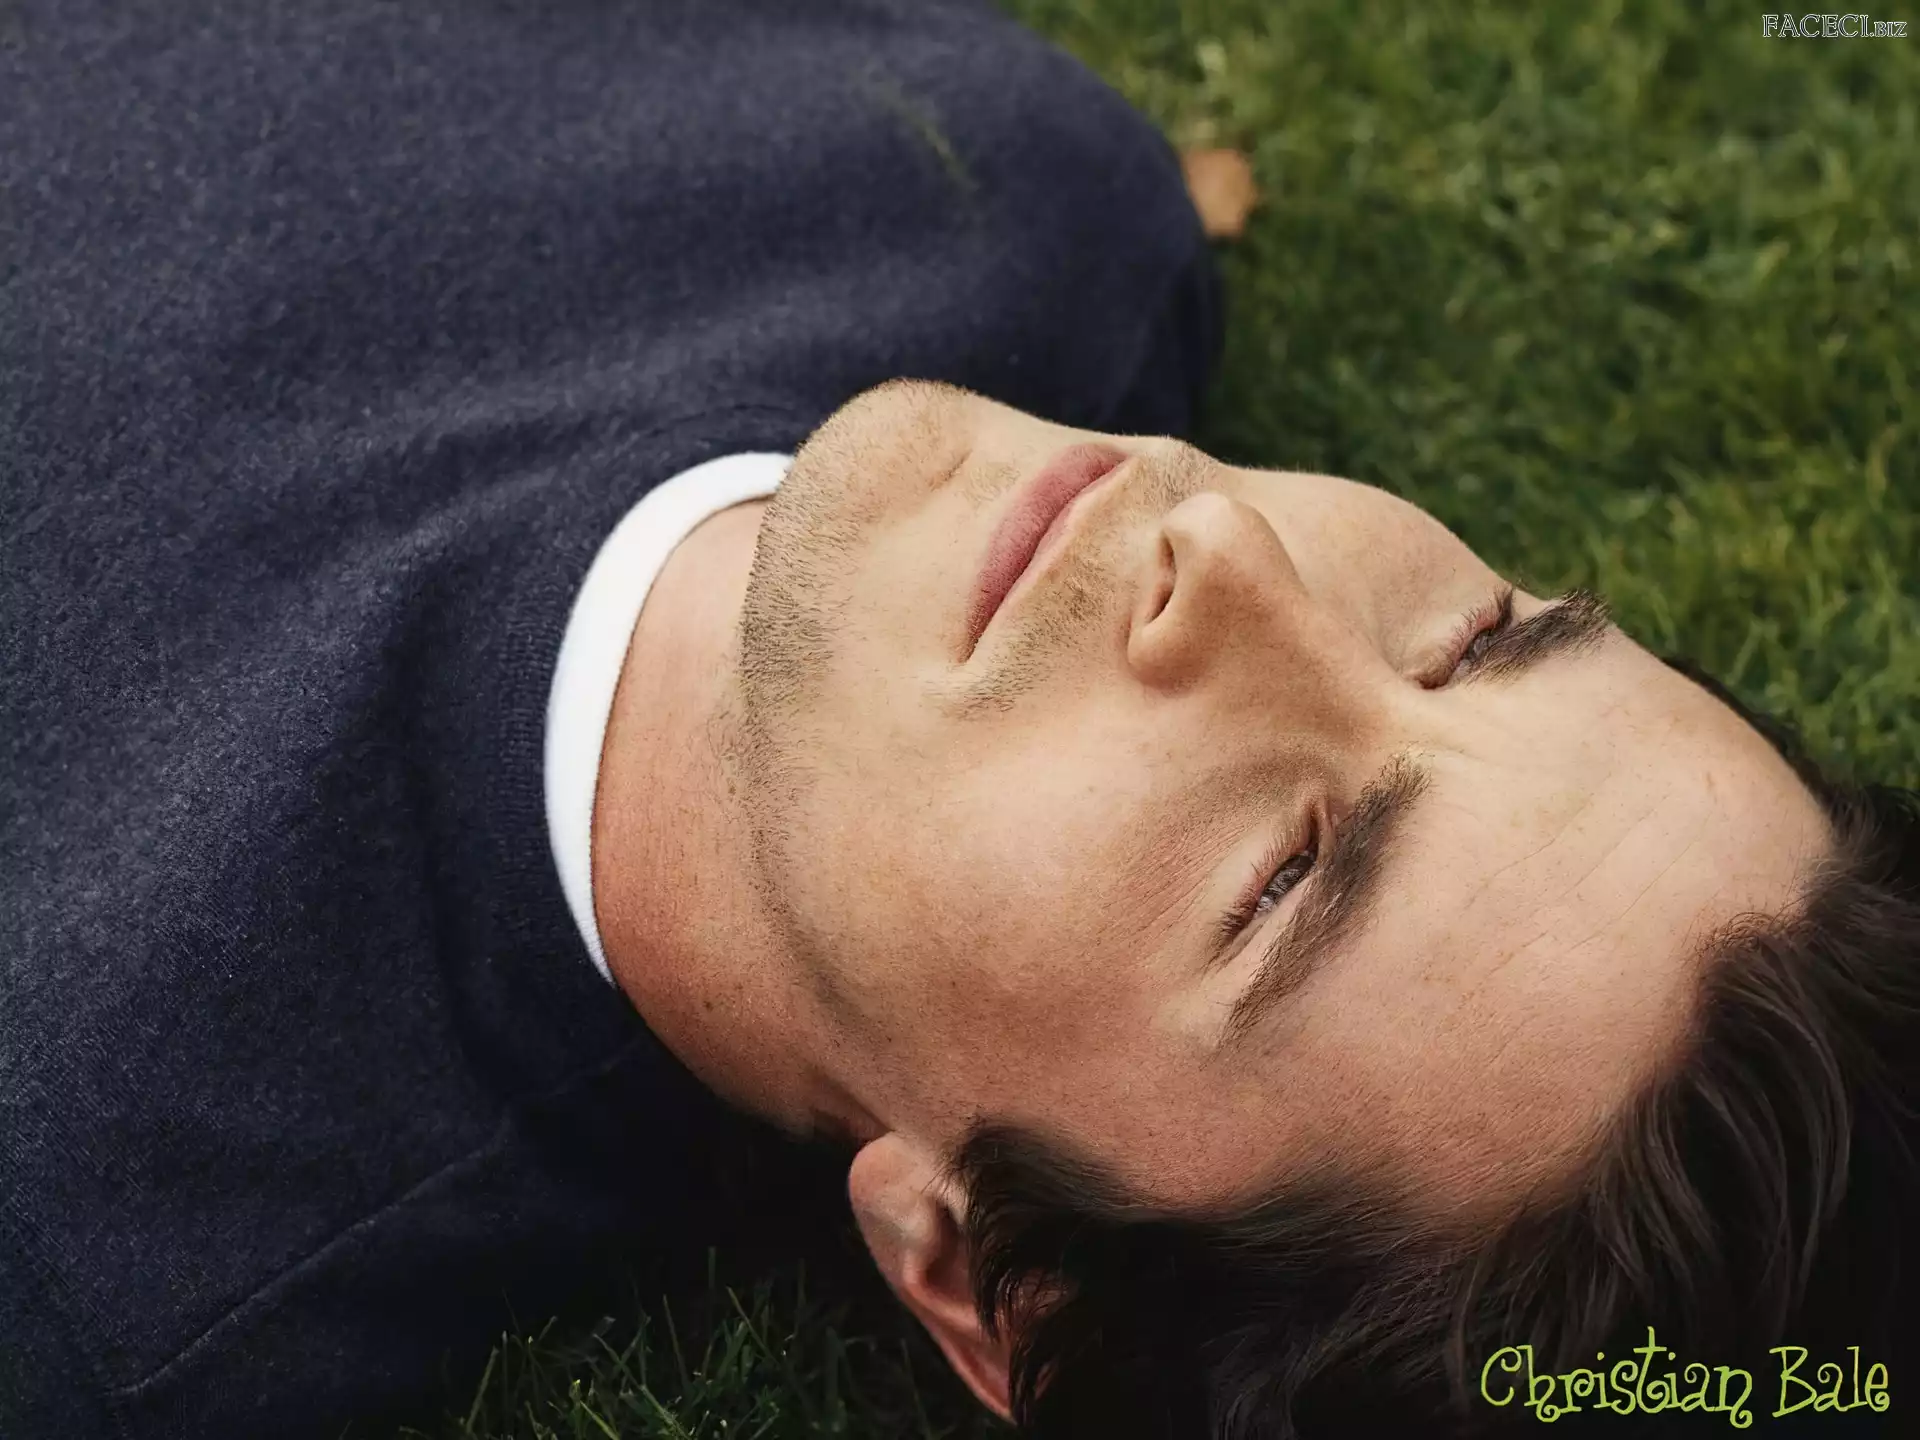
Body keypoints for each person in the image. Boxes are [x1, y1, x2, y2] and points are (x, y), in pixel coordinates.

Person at [3, 4, 1915, 1440]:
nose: (1229, 555)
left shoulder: (86, 1211)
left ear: (988, 1282)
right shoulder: (996, 181)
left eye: (1277, 879)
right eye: (1480, 641)